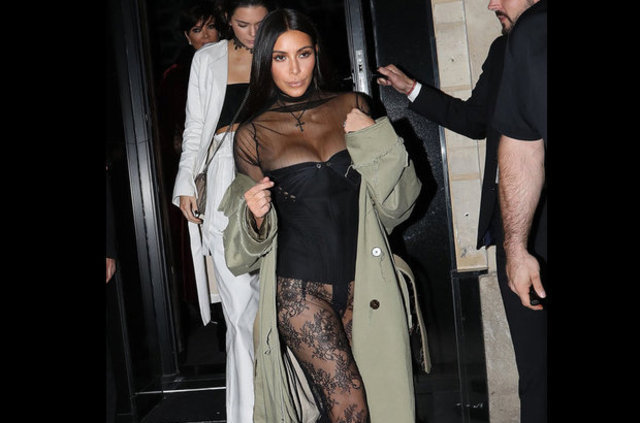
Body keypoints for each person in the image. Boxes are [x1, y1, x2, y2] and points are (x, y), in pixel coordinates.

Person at [218, 8, 422, 423]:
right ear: (265, 62)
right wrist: (254, 216)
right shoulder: (253, 134)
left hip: (365, 278)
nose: (294, 70)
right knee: (349, 403)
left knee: (374, 401)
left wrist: (374, 136)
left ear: (316, 54)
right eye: (280, 57)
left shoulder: (354, 106)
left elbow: (399, 204)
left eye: (303, 54)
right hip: (299, 289)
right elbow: (241, 251)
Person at [375, 0, 544, 421]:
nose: (491, 4)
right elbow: (474, 121)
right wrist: (411, 89)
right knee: (537, 371)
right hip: (520, 233)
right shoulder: (505, 49)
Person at [171, 1, 275, 422]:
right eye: (242, 24)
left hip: (275, 170)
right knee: (240, 310)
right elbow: (195, 126)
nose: (253, 34)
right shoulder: (207, 59)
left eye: (261, 24)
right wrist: (185, 183)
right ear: (227, 21)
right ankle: (248, 415)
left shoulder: (283, 49)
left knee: (283, 303)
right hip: (223, 175)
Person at [493, 1, 547, 422]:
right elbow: (521, 146)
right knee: (537, 375)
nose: (492, 3)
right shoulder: (529, 34)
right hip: (534, 234)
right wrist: (515, 248)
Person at [158, 0, 225, 331]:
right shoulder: (176, 75)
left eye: (211, 27)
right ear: (187, 36)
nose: (206, 35)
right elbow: (176, 129)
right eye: (198, 30)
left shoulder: (234, 63)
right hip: (194, 168)